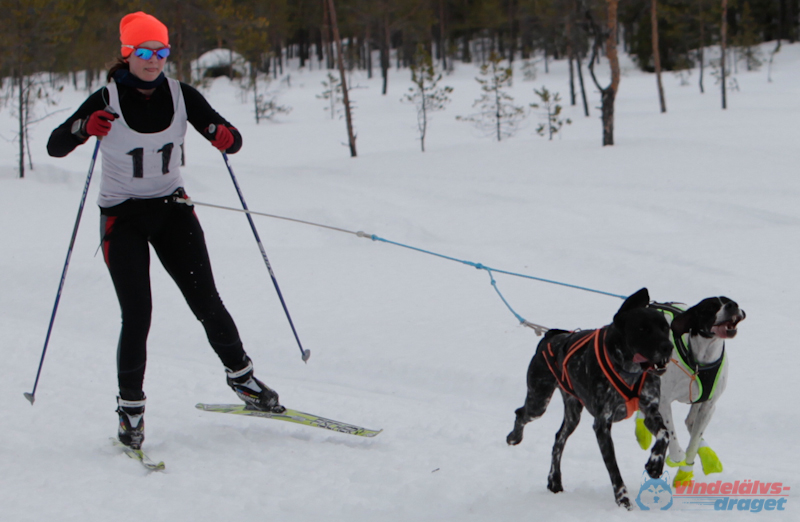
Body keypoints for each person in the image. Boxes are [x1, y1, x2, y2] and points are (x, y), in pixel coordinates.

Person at [47, 11, 283, 450]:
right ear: (127, 54)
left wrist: (223, 135)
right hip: (123, 219)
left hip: (173, 211)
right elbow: (55, 145)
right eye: (144, 52)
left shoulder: (181, 94)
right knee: (138, 314)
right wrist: (83, 128)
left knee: (206, 300)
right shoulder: (106, 98)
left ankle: (244, 382)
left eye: (161, 51)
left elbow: (230, 134)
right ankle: (130, 413)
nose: (153, 60)